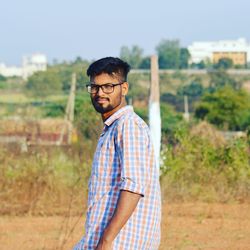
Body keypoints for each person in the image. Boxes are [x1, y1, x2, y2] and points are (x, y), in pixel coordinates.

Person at [74, 57, 161, 250]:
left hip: (121, 241)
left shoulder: (128, 125)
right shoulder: (114, 127)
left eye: (108, 87)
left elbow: (133, 186)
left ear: (124, 88)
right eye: (94, 87)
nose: (99, 93)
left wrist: (107, 240)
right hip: (103, 238)